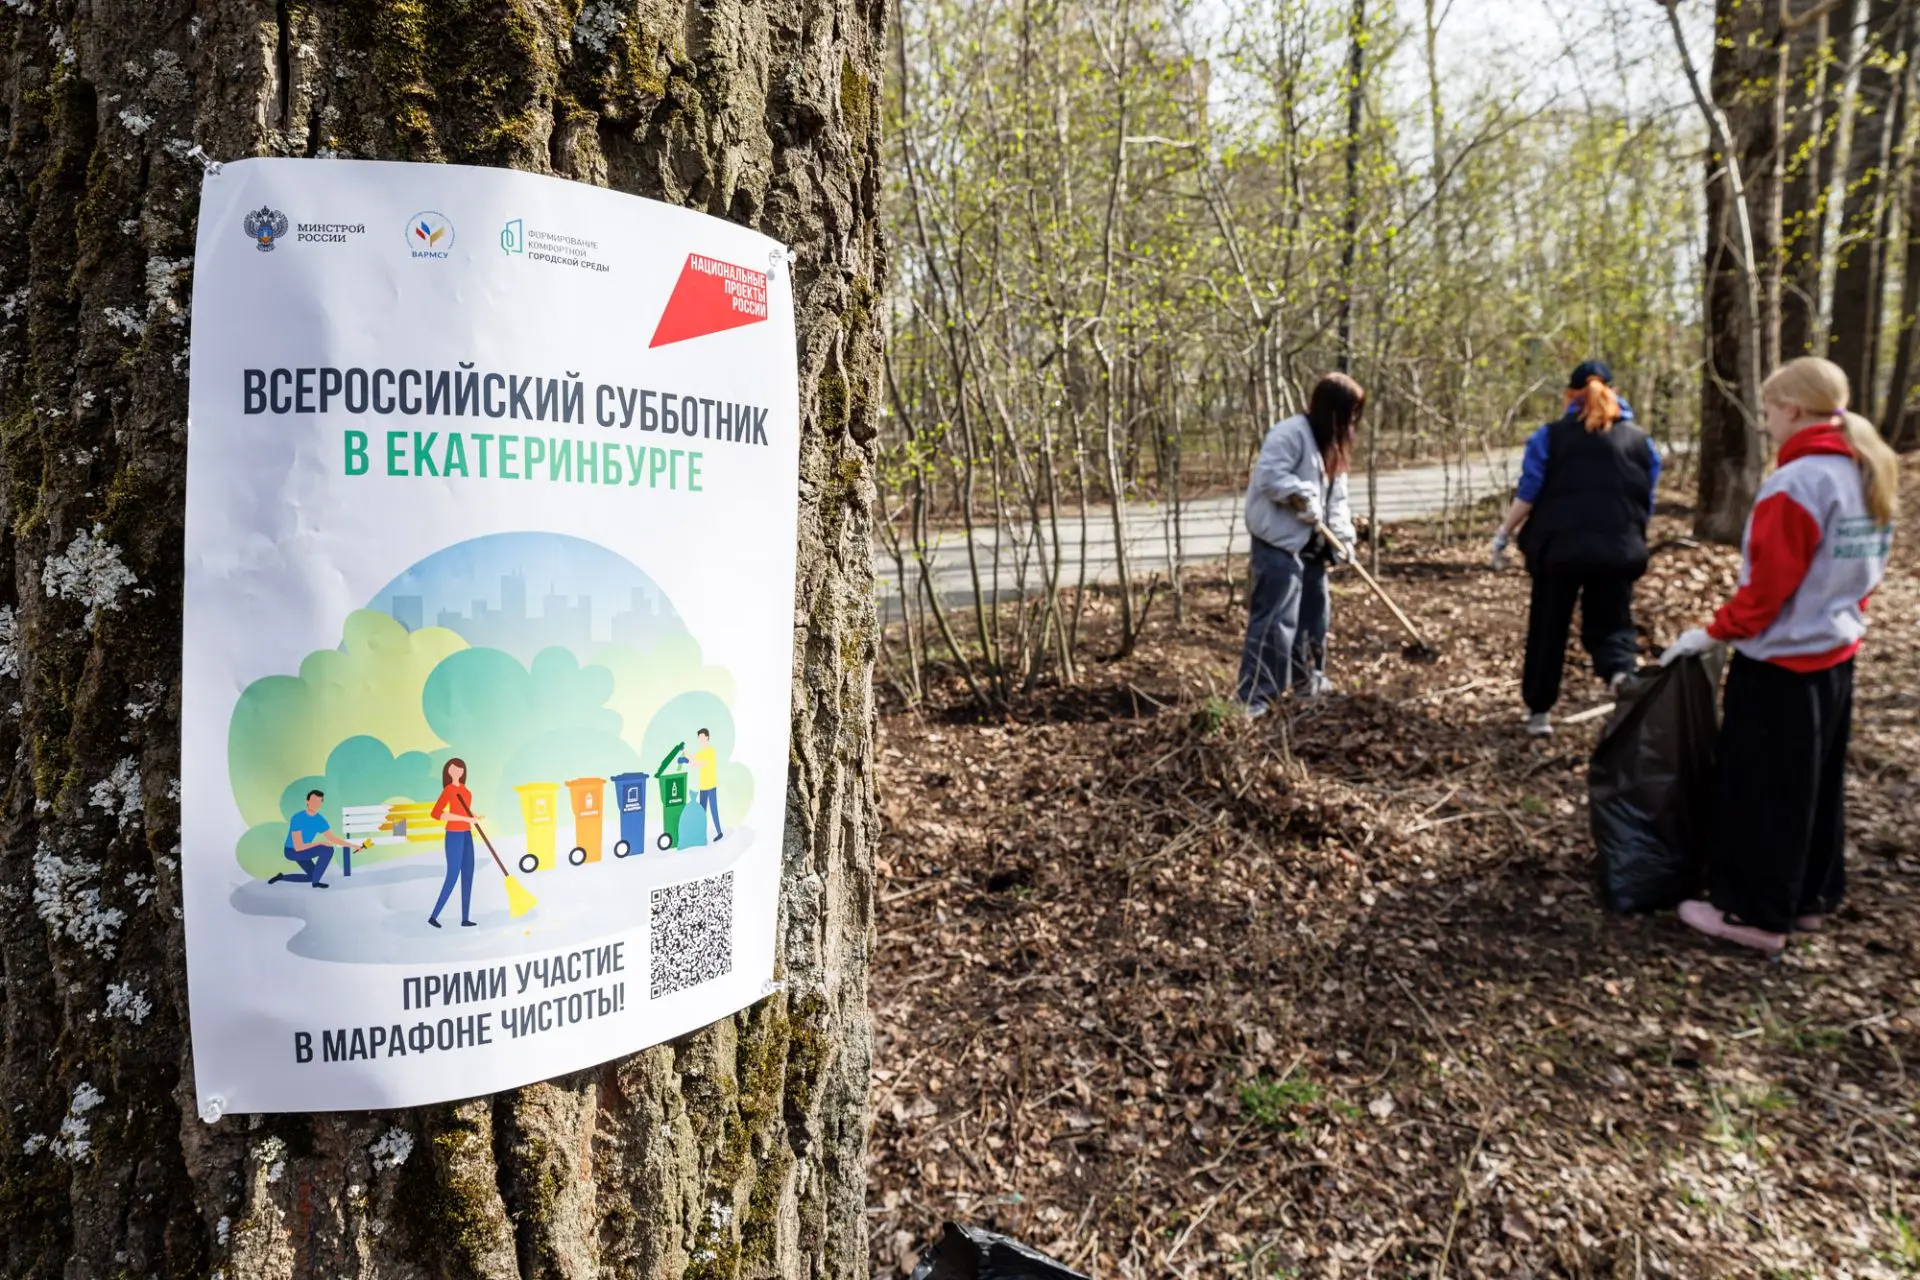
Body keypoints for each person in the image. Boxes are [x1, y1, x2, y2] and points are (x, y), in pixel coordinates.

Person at [1661, 356, 1896, 955]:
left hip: (1782, 663)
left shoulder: (1798, 482)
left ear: (1791, 409)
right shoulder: (1864, 469)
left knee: (1762, 790)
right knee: (1814, 783)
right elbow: (1868, 568)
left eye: (1768, 410)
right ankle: (1808, 897)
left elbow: (1768, 588)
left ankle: (1756, 914)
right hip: (1835, 654)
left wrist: (1713, 633)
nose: (1766, 421)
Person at [1489, 360, 1661, 737]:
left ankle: (1539, 713)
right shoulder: (1640, 441)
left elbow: (1529, 492)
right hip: (1618, 549)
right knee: (1612, 623)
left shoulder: (1550, 436)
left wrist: (1503, 533)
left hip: (1559, 551)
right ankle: (1620, 676)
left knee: (1548, 627)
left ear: (1570, 395)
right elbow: (1646, 500)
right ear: (1614, 392)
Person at [1237, 372, 1362, 715]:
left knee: (1314, 618)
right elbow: (1269, 476)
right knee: (1275, 622)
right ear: (1332, 410)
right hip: (1278, 544)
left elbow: (1337, 499)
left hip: (1313, 548)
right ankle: (1256, 698)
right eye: (1349, 413)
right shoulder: (1289, 434)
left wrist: (1343, 538)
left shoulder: (1333, 445)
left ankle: (1308, 680)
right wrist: (1301, 496)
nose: (1353, 421)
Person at [428, 758, 481, 928]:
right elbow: (436, 813)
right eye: (454, 769)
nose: (457, 771)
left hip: (466, 834)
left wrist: (474, 816)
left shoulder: (466, 791)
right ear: (448, 771)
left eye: (460, 769)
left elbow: (463, 808)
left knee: (468, 874)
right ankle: (434, 916)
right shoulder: (449, 790)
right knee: (452, 875)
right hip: (454, 835)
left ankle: (465, 918)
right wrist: (466, 819)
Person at [271, 790, 353, 887]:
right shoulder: (297, 818)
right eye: (314, 801)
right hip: (292, 851)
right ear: (307, 801)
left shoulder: (320, 820)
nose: (316, 804)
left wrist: (353, 845)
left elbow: (333, 838)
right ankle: (315, 882)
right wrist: (319, 843)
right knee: (326, 849)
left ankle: (281, 877)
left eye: (318, 801)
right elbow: (298, 847)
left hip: (304, 850)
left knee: (311, 876)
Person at [692, 728, 724, 841]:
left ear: (707, 737)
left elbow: (700, 764)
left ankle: (719, 832)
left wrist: (689, 761)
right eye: (699, 737)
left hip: (711, 785)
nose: (700, 739)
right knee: (702, 811)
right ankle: (700, 834)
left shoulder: (711, 751)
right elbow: (693, 759)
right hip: (703, 786)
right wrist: (685, 754)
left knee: (713, 809)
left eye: (702, 737)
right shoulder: (701, 752)